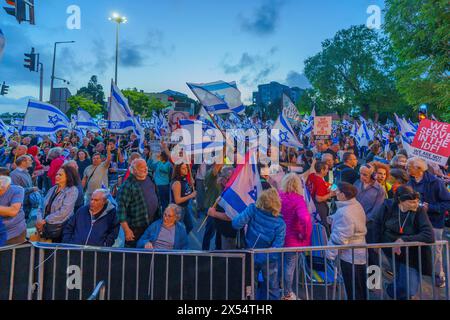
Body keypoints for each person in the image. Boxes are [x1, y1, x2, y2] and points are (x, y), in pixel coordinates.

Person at [372, 186, 435, 300]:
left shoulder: (419, 211)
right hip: (390, 249)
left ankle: (390, 290)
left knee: (410, 288)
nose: (415, 204)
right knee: (401, 280)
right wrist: (376, 243)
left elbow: (429, 235)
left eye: (416, 201)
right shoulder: (388, 206)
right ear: (400, 201)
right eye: (411, 202)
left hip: (411, 254)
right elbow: (377, 223)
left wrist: (403, 240)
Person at [232, 188, 286, 300]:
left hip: (251, 253)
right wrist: (263, 257)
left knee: (250, 287)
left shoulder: (253, 209)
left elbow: (236, 223)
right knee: (272, 288)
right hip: (268, 258)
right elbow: (277, 248)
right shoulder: (280, 223)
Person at [407, 157, 450, 288]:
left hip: (434, 222)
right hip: (415, 221)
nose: (406, 168)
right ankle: (420, 272)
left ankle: (439, 275)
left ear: (419, 169)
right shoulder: (411, 181)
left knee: (435, 249)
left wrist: (430, 207)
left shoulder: (435, 182)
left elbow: (447, 202)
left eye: (409, 166)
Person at [327, 182, 367, 300]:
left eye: (337, 192)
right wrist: (333, 218)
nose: (336, 193)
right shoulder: (356, 205)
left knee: (353, 287)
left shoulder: (344, 212)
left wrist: (330, 254)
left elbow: (340, 237)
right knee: (359, 285)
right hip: (359, 251)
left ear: (343, 195)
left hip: (350, 255)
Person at [279, 173, 312, 300]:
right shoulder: (298, 199)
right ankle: (287, 293)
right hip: (293, 239)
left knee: (278, 264)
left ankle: (279, 291)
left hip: (278, 237)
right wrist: (304, 236)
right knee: (289, 267)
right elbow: (305, 219)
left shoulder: (278, 197)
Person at [117, 159, 159, 248]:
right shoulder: (127, 185)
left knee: (150, 247)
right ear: (134, 170)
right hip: (136, 227)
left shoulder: (149, 177)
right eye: (141, 167)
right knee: (135, 251)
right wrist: (126, 230)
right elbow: (121, 210)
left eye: (146, 166)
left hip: (152, 223)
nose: (145, 169)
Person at [36, 165, 79, 243]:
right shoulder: (53, 189)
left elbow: (64, 211)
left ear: (68, 177)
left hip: (59, 228)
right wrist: (39, 219)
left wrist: (44, 220)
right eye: (57, 174)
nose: (57, 176)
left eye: (60, 175)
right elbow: (41, 205)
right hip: (45, 226)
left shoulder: (72, 190)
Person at [354, 164, 386, 241]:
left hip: (369, 225)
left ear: (373, 175)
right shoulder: (357, 183)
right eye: (360, 174)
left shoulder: (380, 190)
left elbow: (376, 210)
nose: (361, 177)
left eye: (365, 175)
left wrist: (363, 220)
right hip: (354, 221)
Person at [306, 161, 334, 231]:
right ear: (322, 170)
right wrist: (331, 194)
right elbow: (318, 198)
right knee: (323, 224)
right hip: (319, 206)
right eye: (326, 169)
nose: (327, 171)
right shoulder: (320, 182)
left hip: (310, 203)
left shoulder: (311, 175)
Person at [10, 155, 39, 219]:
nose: (32, 161)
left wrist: (33, 179)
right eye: (30, 160)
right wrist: (32, 189)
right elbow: (15, 191)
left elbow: (27, 185)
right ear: (23, 162)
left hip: (28, 202)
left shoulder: (25, 172)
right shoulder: (14, 174)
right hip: (21, 204)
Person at [171, 163, 196, 235]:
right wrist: (191, 195)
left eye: (186, 168)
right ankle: (177, 243)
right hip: (178, 209)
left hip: (185, 206)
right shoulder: (177, 182)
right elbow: (177, 200)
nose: (186, 170)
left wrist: (191, 185)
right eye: (183, 168)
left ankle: (182, 239)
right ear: (178, 170)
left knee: (190, 226)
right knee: (176, 230)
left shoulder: (184, 178)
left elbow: (185, 191)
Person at [0, 176, 26, 245]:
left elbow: (13, 211)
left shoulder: (17, 190)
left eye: (1, 190)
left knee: (12, 254)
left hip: (14, 233)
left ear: (8, 187)